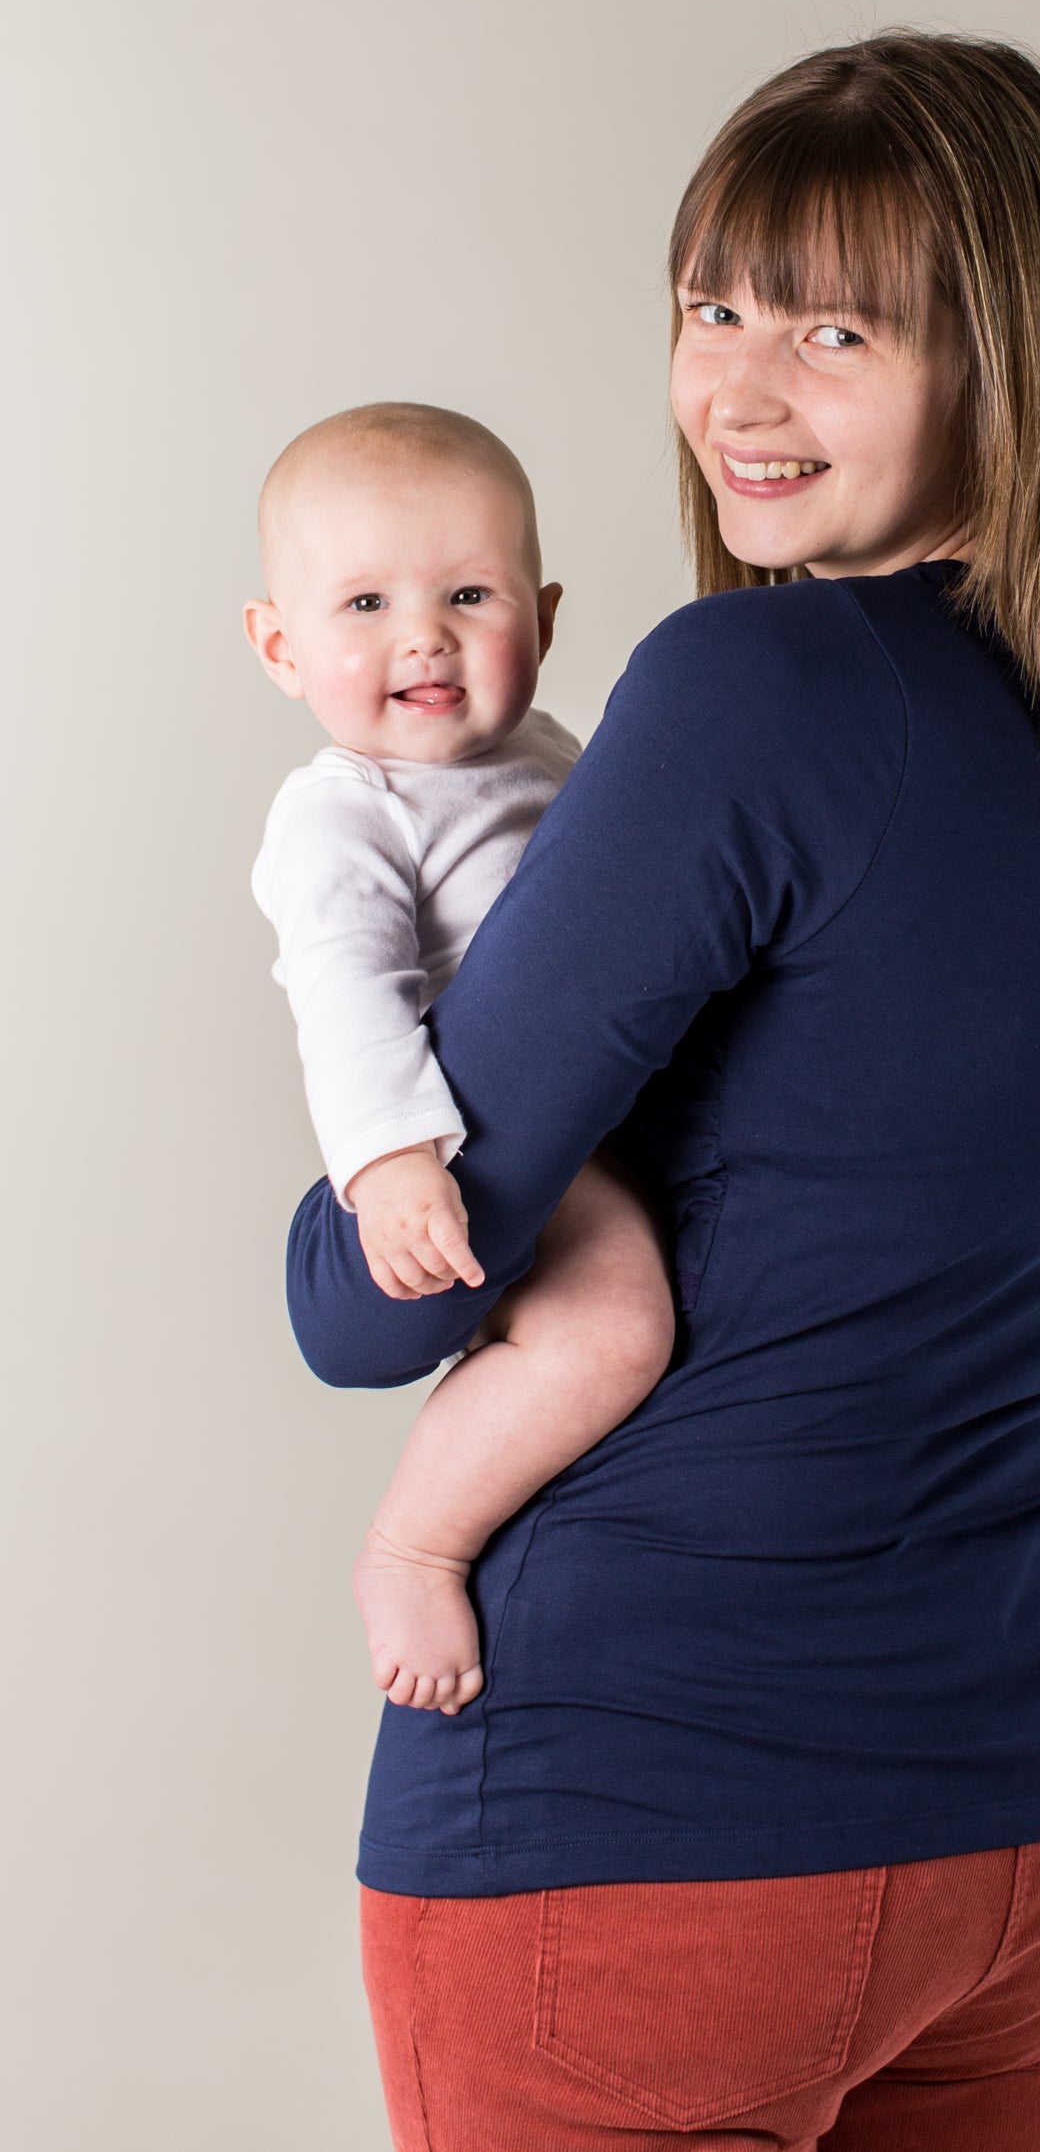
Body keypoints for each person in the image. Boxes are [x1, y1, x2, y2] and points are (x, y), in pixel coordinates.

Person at [287, 31, 1040, 2150]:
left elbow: (370, 1304)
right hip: (1039, 1813)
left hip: (644, 1823)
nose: (738, 387)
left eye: (833, 328)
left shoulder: (753, 690)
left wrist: (377, 1020)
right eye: (711, 308)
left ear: (1004, 357)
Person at [247, 403, 674, 1715]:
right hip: (486, 1141)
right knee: (610, 1333)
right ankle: (415, 1545)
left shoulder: (552, 755)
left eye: (469, 594)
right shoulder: (342, 813)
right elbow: (348, 996)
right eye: (365, 602)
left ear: (542, 619)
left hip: (623, 1105)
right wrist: (392, 1165)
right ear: (280, 646)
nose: (424, 634)